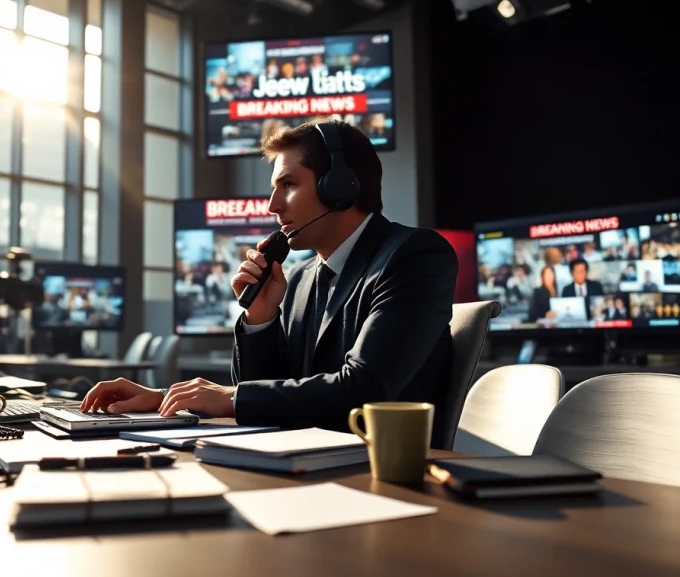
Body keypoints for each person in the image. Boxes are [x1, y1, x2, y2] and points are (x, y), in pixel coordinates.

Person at [81, 119, 458, 436]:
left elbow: (365, 390)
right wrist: (259, 319)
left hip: (387, 477)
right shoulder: (297, 278)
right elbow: (275, 393)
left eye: (289, 185)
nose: (272, 205)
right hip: (309, 467)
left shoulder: (414, 256)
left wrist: (229, 398)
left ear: (341, 187)